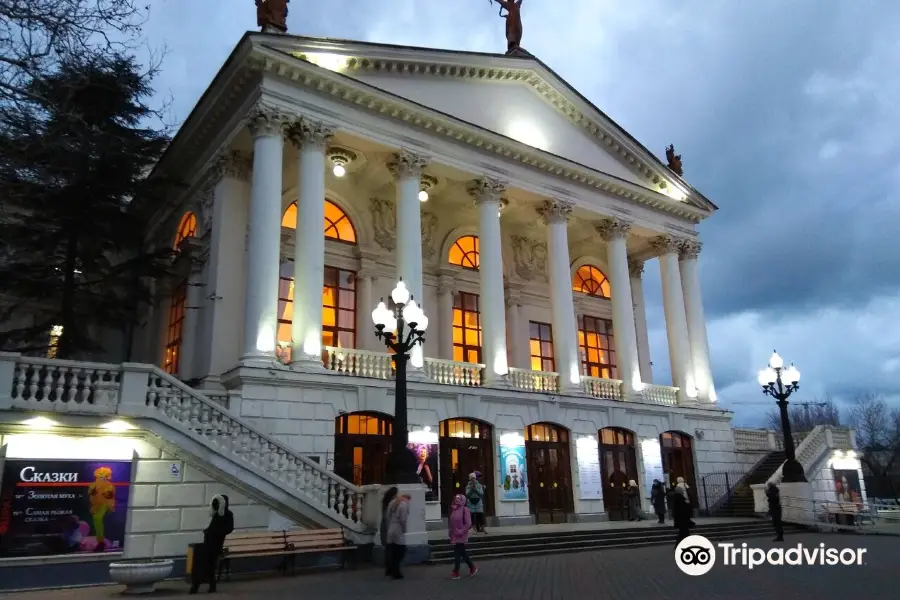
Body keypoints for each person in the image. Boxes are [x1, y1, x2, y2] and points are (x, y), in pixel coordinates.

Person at [190, 494, 234, 594]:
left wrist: (216, 531)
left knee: (209, 563)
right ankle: (197, 584)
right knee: (200, 560)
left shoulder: (227, 515)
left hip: (216, 544)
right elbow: (212, 527)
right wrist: (207, 531)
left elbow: (228, 529)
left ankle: (207, 585)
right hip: (208, 543)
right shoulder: (216, 514)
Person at [448, 493, 479, 579]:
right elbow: (452, 522)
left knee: (457, 552)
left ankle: (456, 571)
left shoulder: (465, 509)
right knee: (462, 553)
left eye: (458, 498)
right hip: (455, 534)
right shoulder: (454, 509)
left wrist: (462, 531)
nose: (456, 499)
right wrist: (451, 532)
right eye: (456, 498)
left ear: (462, 500)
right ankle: (472, 568)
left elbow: (468, 523)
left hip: (461, 534)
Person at [385, 491, 410, 579]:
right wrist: (404, 529)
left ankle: (390, 569)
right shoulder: (404, 505)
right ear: (407, 499)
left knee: (391, 550)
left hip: (391, 528)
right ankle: (395, 570)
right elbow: (403, 520)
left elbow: (387, 516)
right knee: (400, 551)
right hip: (398, 529)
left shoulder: (392, 503)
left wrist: (389, 526)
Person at [380, 486, 398, 577]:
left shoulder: (385, 503)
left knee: (388, 549)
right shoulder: (391, 504)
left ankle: (389, 567)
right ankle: (391, 567)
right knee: (391, 549)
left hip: (385, 527)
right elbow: (388, 518)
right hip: (388, 528)